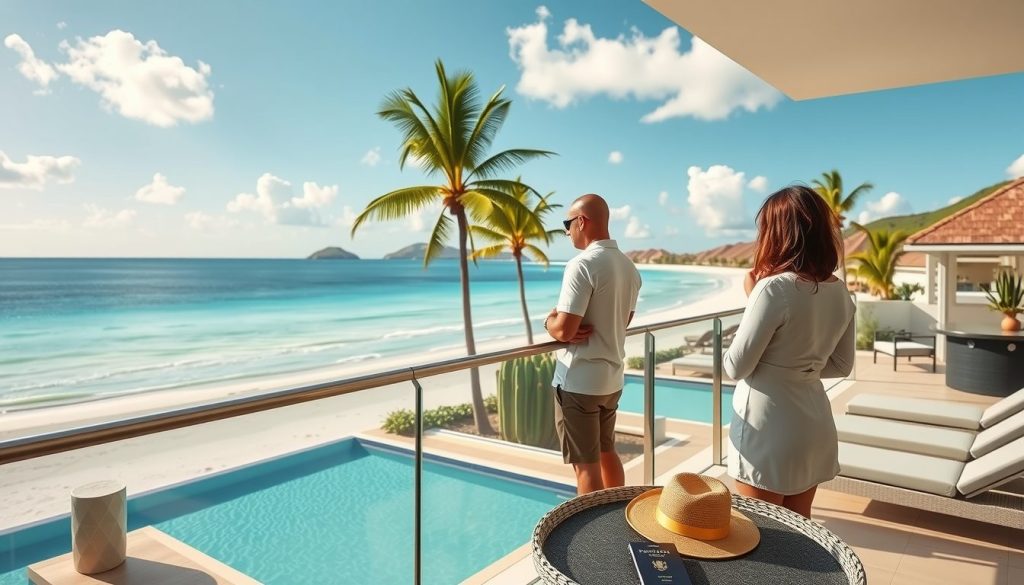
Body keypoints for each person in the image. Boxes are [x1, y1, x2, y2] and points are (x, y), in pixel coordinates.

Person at [724, 185, 856, 518]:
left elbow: (735, 367)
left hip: (768, 428)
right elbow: (841, 365)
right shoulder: (840, 292)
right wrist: (799, 370)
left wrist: (752, 299)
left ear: (778, 234)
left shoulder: (773, 288)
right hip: (812, 423)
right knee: (800, 533)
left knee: (762, 537)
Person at [543, 194, 642, 495]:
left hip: (579, 380)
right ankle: (616, 519)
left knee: (585, 466)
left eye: (567, 224)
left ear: (581, 221)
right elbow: (622, 322)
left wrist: (549, 321)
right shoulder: (629, 268)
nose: (567, 231)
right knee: (606, 451)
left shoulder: (582, 265)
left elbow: (564, 328)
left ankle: (593, 538)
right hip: (611, 378)